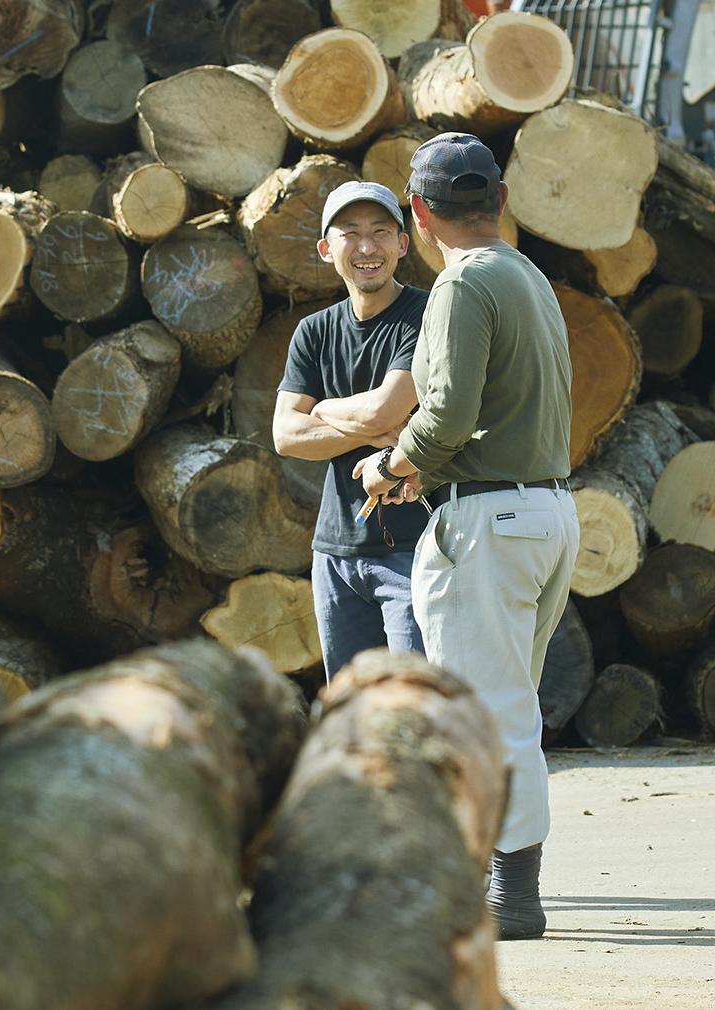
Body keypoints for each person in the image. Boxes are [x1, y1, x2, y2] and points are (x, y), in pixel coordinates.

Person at [353, 133, 579, 941]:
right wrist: (440, 461)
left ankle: (510, 898)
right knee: (512, 704)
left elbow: (444, 413)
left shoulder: (459, 285)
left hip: (491, 520)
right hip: (550, 510)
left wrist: (392, 462)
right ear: (502, 202)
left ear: (416, 213)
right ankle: (502, 883)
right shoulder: (529, 278)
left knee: (486, 714)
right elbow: (515, 404)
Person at [272, 180, 430, 683]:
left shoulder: (424, 315)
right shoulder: (314, 332)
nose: (367, 247)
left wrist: (323, 410)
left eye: (381, 232)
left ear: (403, 244)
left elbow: (386, 411)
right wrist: (373, 427)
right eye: (350, 233)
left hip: (415, 548)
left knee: (411, 704)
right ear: (326, 249)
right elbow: (284, 436)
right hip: (334, 554)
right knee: (351, 711)